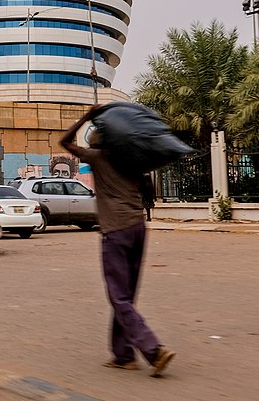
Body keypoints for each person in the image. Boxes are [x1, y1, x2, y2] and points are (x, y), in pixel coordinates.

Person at [59, 106, 175, 377]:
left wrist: (86, 116)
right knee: (125, 296)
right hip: (138, 227)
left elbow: (64, 142)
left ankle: (153, 350)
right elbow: (149, 192)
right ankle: (123, 355)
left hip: (115, 231)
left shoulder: (98, 158)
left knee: (118, 296)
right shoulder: (133, 160)